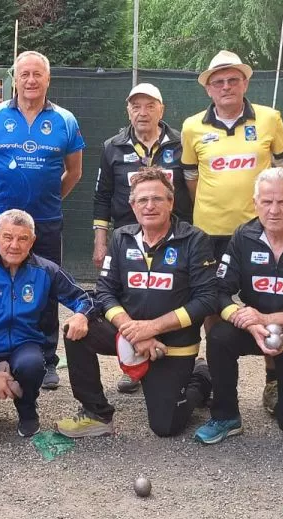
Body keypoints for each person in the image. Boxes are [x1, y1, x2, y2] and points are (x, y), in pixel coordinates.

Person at [181, 49, 283, 416]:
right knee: (214, 308)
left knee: (268, 303)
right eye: (219, 82)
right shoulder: (191, 127)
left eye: (233, 79)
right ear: (208, 89)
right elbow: (190, 179)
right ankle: (218, 383)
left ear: (245, 83)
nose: (226, 86)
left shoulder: (269, 118)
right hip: (210, 234)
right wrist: (213, 208)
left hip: (259, 234)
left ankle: (274, 381)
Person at [54, 167, 216, 439]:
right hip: (129, 335)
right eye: (142, 200)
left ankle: (200, 378)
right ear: (132, 205)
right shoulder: (122, 237)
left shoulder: (194, 239)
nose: (149, 206)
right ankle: (96, 414)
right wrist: (133, 332)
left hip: (172, 345)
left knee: (166, 427)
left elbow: (207, 299)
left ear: (171, 202)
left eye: (157, 199)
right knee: (76, 329)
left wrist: (152, 328)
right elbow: (105, 291)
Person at [194, 168, 283, 444]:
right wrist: (248, 322)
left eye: (282, 202)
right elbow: (220, 292)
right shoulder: (244, 236)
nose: (274, 210)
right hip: (258, 331)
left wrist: (264, 318)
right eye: (267, 201)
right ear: (255, 204)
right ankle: (225, 416)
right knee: (219, 336)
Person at [0, 50, 85, 390]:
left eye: (38, 74)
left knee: (47, 288)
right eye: (25, 74)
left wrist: (48, 202)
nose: (31, 80)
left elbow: (74, 171)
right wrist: (3, 205)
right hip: (2, 222)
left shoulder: (65, 120)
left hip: (47, 221)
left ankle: (47, 360)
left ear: (48, 79)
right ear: (15, 79)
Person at [0, 209, 94, 437]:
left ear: (33, 241)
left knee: (32, 365)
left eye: (22, 238)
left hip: (24, 346)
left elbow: (84, 298)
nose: (14, 245)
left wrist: (81, 315)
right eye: (8, 237)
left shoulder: (46, 271)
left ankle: (27, 410)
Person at [93, 83, 192, 394]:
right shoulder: (112, 146)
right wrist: (101, 240)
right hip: (127, 237)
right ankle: (132, 360)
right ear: (128, 111)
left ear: (162, 109)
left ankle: (183, 362)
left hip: (174, 237)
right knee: (131, 294)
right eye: (136, 106)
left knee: (168, 294)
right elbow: (102, 196)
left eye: (150, 105)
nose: (143, 112)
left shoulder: (182, 142)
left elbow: (193, 191)